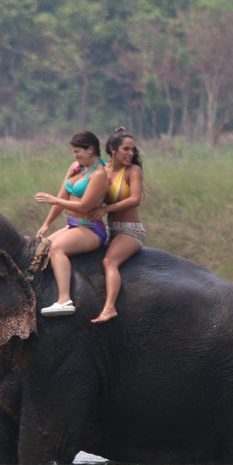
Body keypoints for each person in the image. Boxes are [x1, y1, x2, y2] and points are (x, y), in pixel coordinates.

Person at [35, 130, 109, 317]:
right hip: (73, 225)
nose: (75, 156)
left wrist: (55, 201)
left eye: (78, 151)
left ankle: (65, 299)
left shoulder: (99, 174)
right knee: (41, 247)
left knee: (57, 248)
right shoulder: (75, 167)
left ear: (91, 149)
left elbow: (84, 207)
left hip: (90, 228)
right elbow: (62, 197)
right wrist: (47, 224)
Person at [88, 127, 145, 323]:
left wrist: (106, 210)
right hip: (111, 232)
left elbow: (135, 199)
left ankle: (110, 308)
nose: (130, 154)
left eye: (132, 150)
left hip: (130, 232)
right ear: (113, 149)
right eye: (126, 149)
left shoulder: (133, 171)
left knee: (109, 262)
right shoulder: (102, 172)